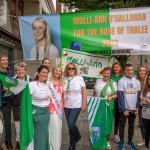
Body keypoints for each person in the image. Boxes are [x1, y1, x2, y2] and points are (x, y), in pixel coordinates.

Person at [63, 62, 87, 150]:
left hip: (76, 105)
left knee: (71, 123)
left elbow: (84, 92)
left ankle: (78, 136)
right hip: (66, 105)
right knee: (70, 127)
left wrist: (84, 104)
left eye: (73, 68)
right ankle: (72, 145)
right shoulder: (64, 78)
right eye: (69, 68)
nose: (71, 70)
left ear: (75, 69)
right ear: (66, 69)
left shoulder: (79, 78)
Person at [93, 67, 117, 149]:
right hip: (98, 105)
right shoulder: (98, 81)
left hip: (108, 105)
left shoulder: (113, 83)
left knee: (107, 122)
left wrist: (111, 97)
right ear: (102, 73)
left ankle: (107, 141)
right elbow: (94, 93)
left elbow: (116, 94)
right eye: (105, 73)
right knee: (97, 122)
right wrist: (92, 102)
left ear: (110, 75)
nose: (106, 74)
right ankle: (97, 139)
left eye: (108, 73)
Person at [117, 64, 141, 150]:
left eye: (131, 70)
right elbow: (120, 96)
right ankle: (121, 142)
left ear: (133, 70)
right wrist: (124, 109)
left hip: (134, 109)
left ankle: (130, 142)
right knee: (122, 126)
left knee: (131, 126)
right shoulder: (121, 81)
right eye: (128, 70)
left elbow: (138, 96)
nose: (130, 71)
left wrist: (137, 108)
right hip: (125, 109)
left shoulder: (137, 82)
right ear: (124, 71)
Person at [29, 65, 51, 150]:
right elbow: (27, 101)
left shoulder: (47, 85)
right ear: (38, 73)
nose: (45, 74)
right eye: (43, 72)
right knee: (38, 135)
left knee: (45, 134)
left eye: (46, 73)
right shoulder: (32, 84)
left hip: (46, 112)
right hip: (36, 112)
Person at [8, 62, 28, 150]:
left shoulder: (30, 81)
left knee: (28, 128)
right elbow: (9, 97)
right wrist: (9, 89)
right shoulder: (13, 82)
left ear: (25, 70)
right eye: (18, 70)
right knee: (18, 129)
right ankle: (19, 145)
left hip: (28, 110)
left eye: (22, 69)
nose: (20, 71)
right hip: (17, 110)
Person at [47, 65, 64, 150]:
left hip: (60, 109)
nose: (58, 72)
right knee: (53, 128)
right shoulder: (48, 82)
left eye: (59, 71)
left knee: (58, 128)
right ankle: (51, 147)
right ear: (53, 71)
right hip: (51, 109)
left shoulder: (62, 82)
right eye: (56, 70)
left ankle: (57, 147)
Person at [0, 55, 13, 150]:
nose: (5, 61)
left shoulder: (10, 72)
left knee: (7, 122)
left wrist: (10, 88)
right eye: (3, 60)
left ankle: (7, 140)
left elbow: (14, 85)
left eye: (6, 60)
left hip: (7, 100)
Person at [111, 62, 123, 143]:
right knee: (108, 117)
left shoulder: (123, 77)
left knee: (117, 119)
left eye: (118, 67)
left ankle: (115, 135)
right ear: (113, 68)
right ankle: (105, 134)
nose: (116, 68)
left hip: (119, 101)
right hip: (111, 99)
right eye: (115, 67)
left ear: (120, 68)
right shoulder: (110, 76)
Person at [136, 66, 147, 147]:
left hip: (147, 104)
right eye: (140, 70)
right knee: (142, 123)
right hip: (139, 105)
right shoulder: (136, 81)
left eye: (143, 70)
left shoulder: (148, 80)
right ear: (138, 72)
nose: (142, 72)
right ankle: (144, 140)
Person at [140, 72, 150, 149]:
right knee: (147, 131)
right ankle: (147, 146)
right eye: (149, 79)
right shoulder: (144, 89)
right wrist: (143, 102)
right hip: (145, 113)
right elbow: (141, 102)